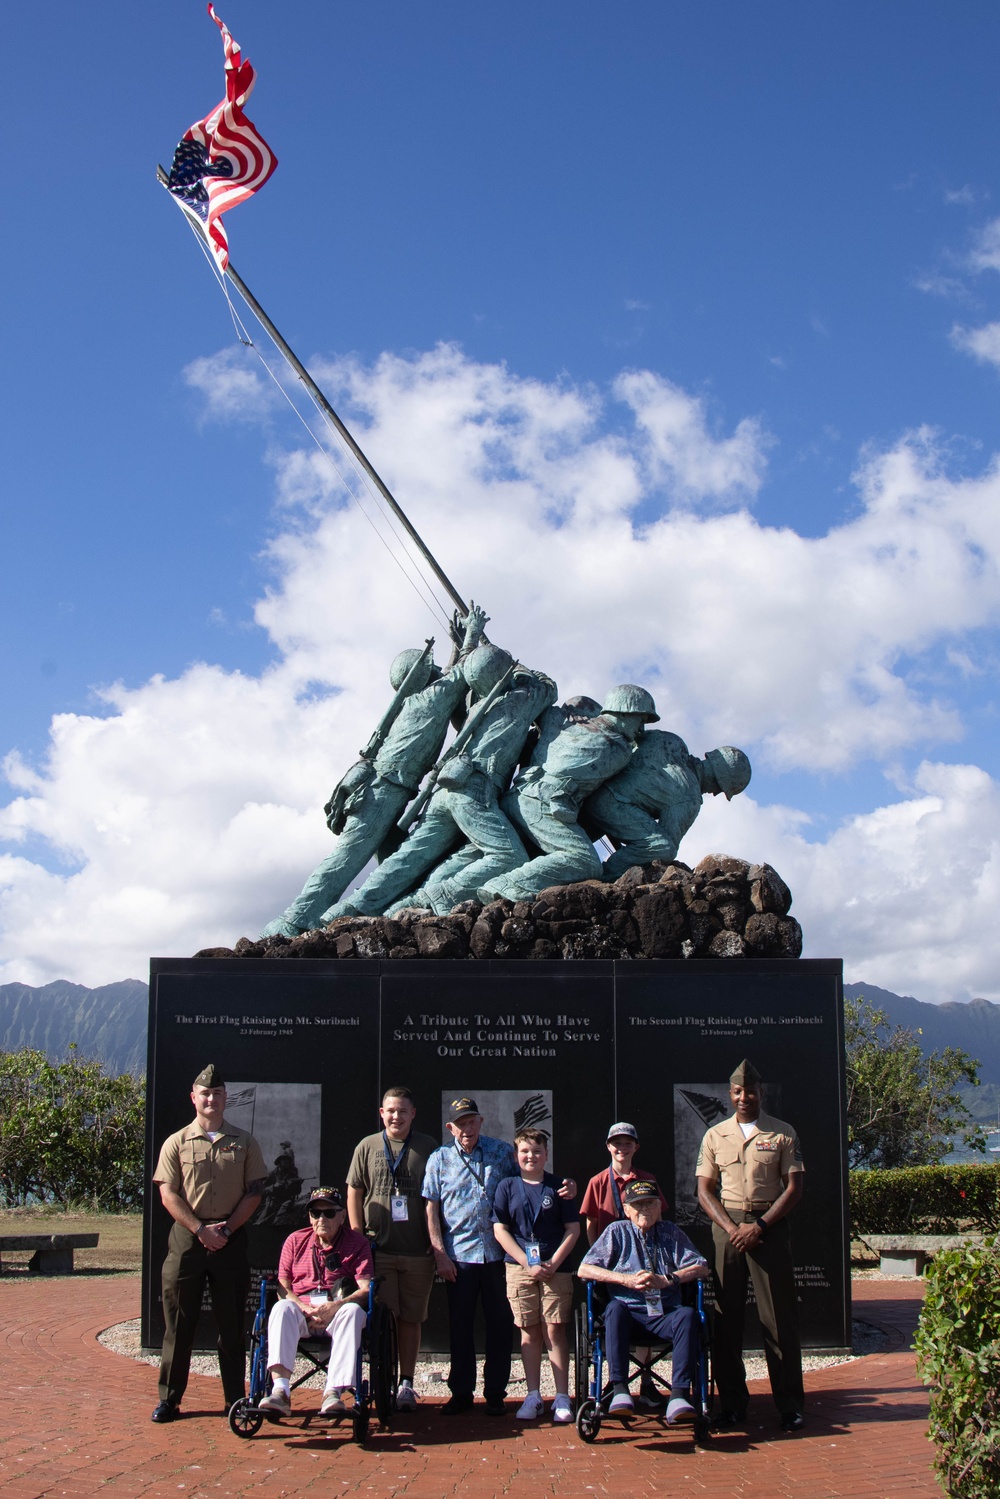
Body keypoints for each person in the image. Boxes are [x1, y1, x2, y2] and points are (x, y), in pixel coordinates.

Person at [261, 605, 489, 936]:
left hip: (389, 791)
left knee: (400, 860)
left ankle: (379, 913)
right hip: (385, 792)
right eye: (433, 667)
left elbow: (449, 676)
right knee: (347, 859)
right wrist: (471, 632)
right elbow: (460, 676)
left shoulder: (414, 700)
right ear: (425, 674)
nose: (439, 668)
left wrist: (457, 643)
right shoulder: (429, 700)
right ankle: (294, 920)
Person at [331, 649, 557, 919]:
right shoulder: (522, 699)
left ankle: (353, 909)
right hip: (474, 794)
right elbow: (547, 686)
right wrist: (512, 665)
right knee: (509, 856)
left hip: (443, 790)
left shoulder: (475, 706)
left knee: (410, 859)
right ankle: (436, 895)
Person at [422, 1096, 576, 1416]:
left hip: (498, 1256)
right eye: (460, 1123)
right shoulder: (438, 1159)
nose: (467, 1128)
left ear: (480, 1122)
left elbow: (532, 1178)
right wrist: (440, 1254)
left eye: (471, 1121)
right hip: (459, 1255)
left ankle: (495, 1393)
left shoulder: (502, 1152)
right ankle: (461, 1393)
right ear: (451, 1127)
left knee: (500, 1326)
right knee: (460, 1326)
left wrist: (567, 1187)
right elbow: (431, 1207)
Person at [151, 1064, 267, 1423]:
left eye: (217, 1093)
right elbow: (167, 1192)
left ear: (225, 1098)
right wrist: (200, 1230)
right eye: (205, 1093)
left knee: (231, 1326)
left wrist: (227, 1230)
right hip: (187, 1241)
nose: (211, 1099)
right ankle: (170, 1399)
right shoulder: (176, 1142)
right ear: (194, 1098)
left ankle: (235, 1398)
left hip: (230, 1240)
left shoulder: (244, 1142)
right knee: (178, 1325)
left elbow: (255, 1191)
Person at [695, 1058, 805, 1432]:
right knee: (727, 1320)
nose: (746, 1097)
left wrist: (758, 1226)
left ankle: (790, 1404)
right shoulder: (715, 1135)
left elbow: (794, 1188)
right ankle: (731, 1405)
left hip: (768, 1229)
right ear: (730, 1095)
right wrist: (730, 1228)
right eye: (739, 1092)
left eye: (752, 1091)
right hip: (727, 1230)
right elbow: (704, 1191)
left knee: (779, 1319)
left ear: (761, 1092)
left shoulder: (783, 1132)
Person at [479, 685, 658, 903]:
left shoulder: (563, 722)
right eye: (640, 720)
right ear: (624, 711)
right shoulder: (619, 749)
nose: (641, 730)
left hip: (516, 795)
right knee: (585, 861)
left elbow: (550, 715)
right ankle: (504, 885)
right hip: (543, 804)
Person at [578, 1178, 709, 1423]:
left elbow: (701, 1267)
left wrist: (666, 1279)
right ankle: (619, 1391)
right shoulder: (616, 1232)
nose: (644, 1210)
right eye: (638, 1205)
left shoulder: (671, 1232)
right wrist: (625, 1280)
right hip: (629, 1315)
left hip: (666, 1313)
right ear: (626, 1210)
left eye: (650, 1204)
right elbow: (585, 1269)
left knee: (688, 1315)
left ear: (659, 1207)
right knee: (614, 1309)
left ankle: (679, 1396)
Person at [346, 1085, 438, 1412]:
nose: (396, 1116)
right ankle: (383, 1378)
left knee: (411, 1319)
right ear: (381, 1113)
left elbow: (437, 1198)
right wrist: (357, 1238)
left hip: (417, 1252)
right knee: (383, 1318)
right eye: (390, 1110)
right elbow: (354, 1191)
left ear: (413, 1113)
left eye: (402, 1110)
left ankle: (407, 1383)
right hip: (378, 1251)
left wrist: (436, 1242)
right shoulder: (368, 1146)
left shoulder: (429, 1147)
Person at [257, 1187, 374, 1418]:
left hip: (337, 1310)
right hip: (303, 1310)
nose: (322, 1219)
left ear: (342, 1216)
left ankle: (333, 1393)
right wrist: (304, 1308)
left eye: (329, 1213)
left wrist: (335, 1307)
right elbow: (283, 1286)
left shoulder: (357, 1243)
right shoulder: (295, 1240)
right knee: (281, 1307)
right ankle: (280, 1391)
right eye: (315, 1213)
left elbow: (366, 1288)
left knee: (353, 1312)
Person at [492, 1127, 581, 1423]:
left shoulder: (560, 1187)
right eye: (525, 1152)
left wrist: (553, 1263)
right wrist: (525, 1262)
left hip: (556, 1269)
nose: (531, 1156)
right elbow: (500, 1229)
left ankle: (561, 1396)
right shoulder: (506, 1186)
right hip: (520, 1268)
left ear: (546, 1155)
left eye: (537, 1151)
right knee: (529, 1330)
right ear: (516, 1155)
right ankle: (533, 1395)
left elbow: (573, 1230)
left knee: (554, 1329)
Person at [586, 736, 751, 883]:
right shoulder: (689, 796)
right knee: (663, 847)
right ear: (719, 780)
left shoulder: (671, 741)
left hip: (589, 787)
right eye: (720, 789)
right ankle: (602, 879)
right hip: (607, 807)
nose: (714, 793)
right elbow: (665, 847)